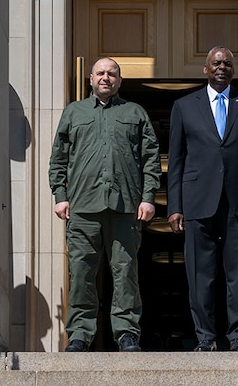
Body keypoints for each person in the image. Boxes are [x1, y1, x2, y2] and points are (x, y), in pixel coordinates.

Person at [49, 56, 161, 352]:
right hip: (83, 208)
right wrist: (60, 196)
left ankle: (126, 333)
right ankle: (80, 335)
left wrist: (148, 198)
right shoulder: (74, 112)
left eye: (112, 74)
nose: (106, 78)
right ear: (90, 78)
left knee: (125, 272)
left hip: (125, 208)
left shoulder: (134, 112)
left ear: (120, 81)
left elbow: (151, 159)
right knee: (82, 272)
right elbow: (58, 159)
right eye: (100, 73)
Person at [167, 46, 238, 351]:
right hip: (197, 202)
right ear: (205, 69)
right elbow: (176, 161)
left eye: (227, 64)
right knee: (201, 276)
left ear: (233, 70)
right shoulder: (185, 106)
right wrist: (174, 206)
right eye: (216, 63)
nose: (222, 68)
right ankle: (205, 339)